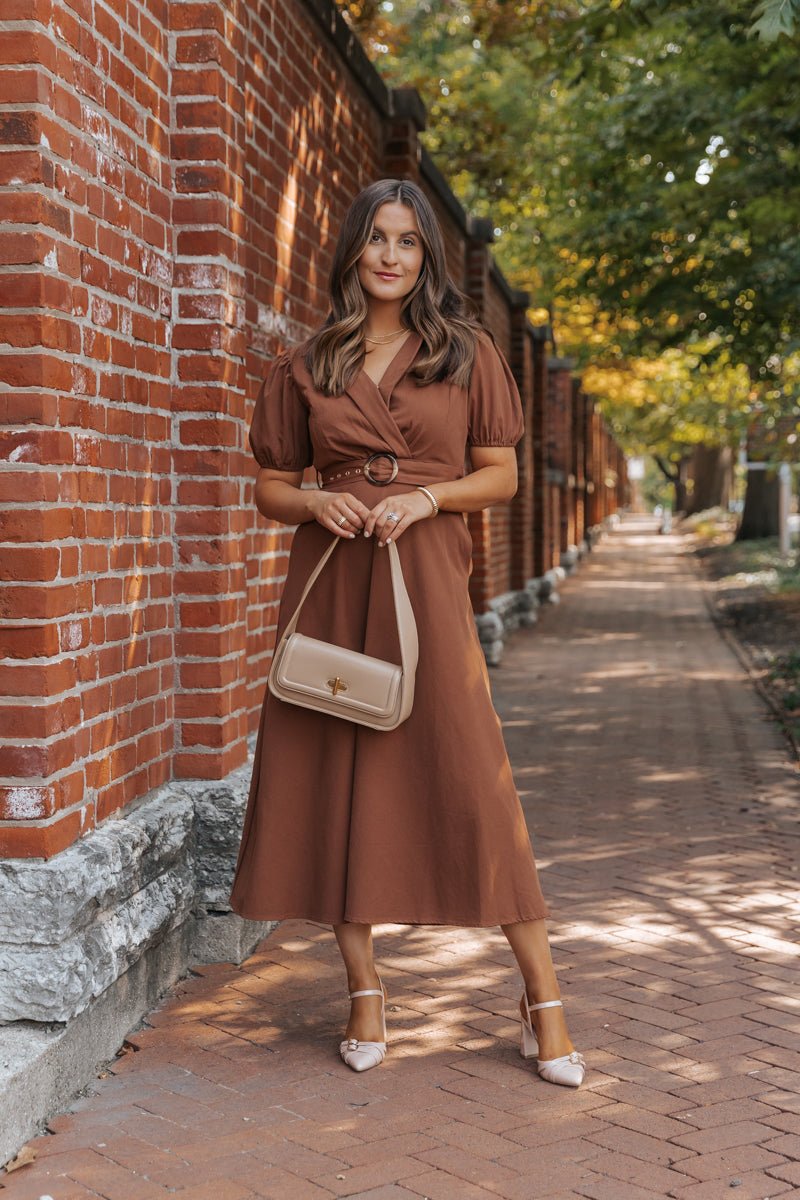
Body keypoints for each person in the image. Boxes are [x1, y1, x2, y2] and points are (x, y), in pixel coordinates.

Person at [230, 178, 585, 1088]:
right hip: (334, 584)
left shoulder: (465, 353)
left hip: (424, 582)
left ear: (426, 257)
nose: (391, 256)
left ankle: (542, 998)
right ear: (353, 249)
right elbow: (270, 483)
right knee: (341, 779)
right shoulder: (311, 360)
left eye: (409, 243)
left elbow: (500, 477)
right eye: (377, 239)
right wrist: (318, 497)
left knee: (474, 777)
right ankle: (363, 992)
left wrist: (426, 495)